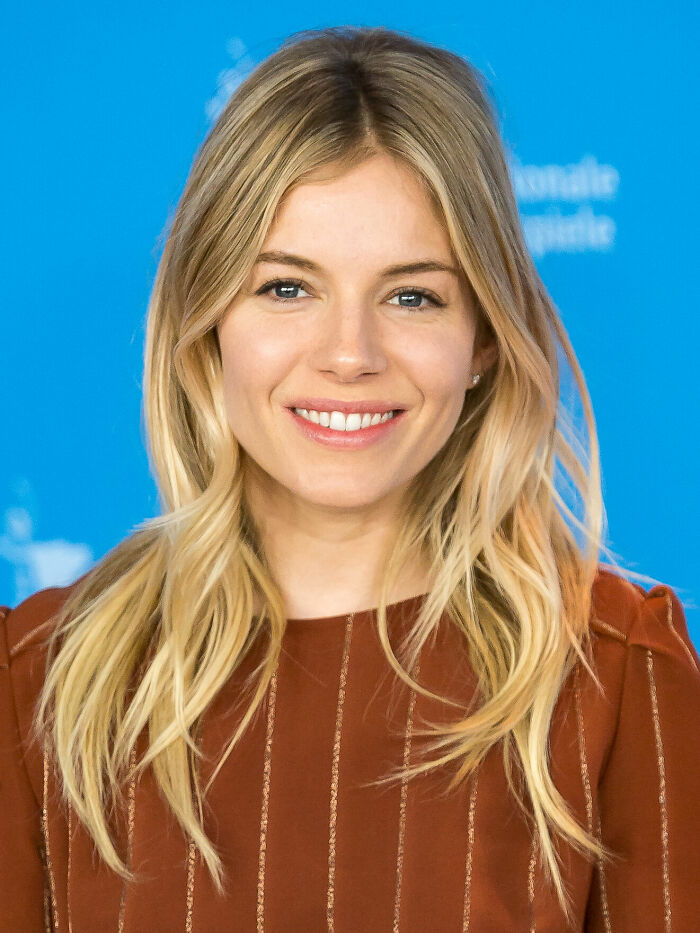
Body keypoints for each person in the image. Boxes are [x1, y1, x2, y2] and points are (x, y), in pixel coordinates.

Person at [1, 24, 698, 933]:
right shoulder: (42, 680)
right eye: (287, 287)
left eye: (413, 295)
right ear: (208, 320)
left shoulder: (618, 675)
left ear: (483, 337)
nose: (349, 354)